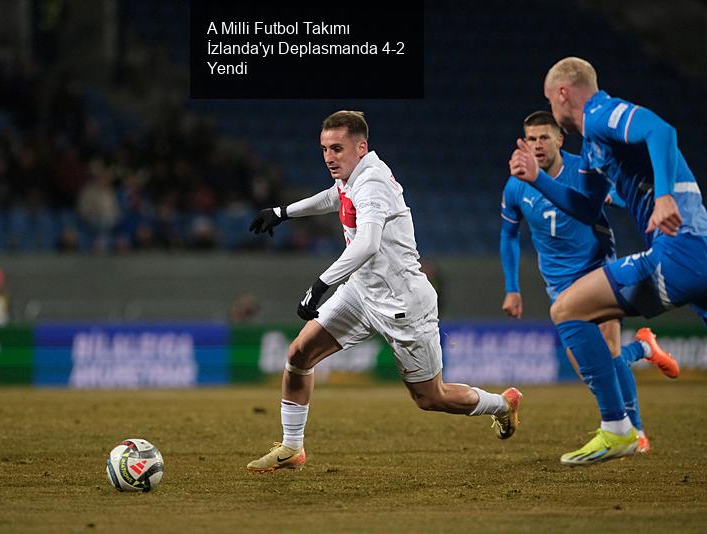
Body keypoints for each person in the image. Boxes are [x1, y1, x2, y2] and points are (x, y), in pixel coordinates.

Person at [246, 110, 522, 473]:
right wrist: (283, 212)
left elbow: (368, 243)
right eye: (324, 149)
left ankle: (502, 404)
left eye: (337, 148)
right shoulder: (351, 176)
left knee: (430, 397)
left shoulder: (373, 181)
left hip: (402, 303)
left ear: (361, 147)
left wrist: (320, 286)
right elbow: (334, 198)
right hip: (362, 293)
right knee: (298, 354)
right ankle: (292, 448)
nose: (329, 157)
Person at [509, 57, 707, 466]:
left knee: (567, 309)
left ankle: (618, 429)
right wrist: (537, 179)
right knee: (581, 321)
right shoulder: (594, 146)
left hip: (679, 249)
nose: (551, 107)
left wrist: (665, 195)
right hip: (693, 249)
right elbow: (584, 207)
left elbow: (661, 131)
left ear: (563, 93)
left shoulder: (600, 113)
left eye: (550, 98)